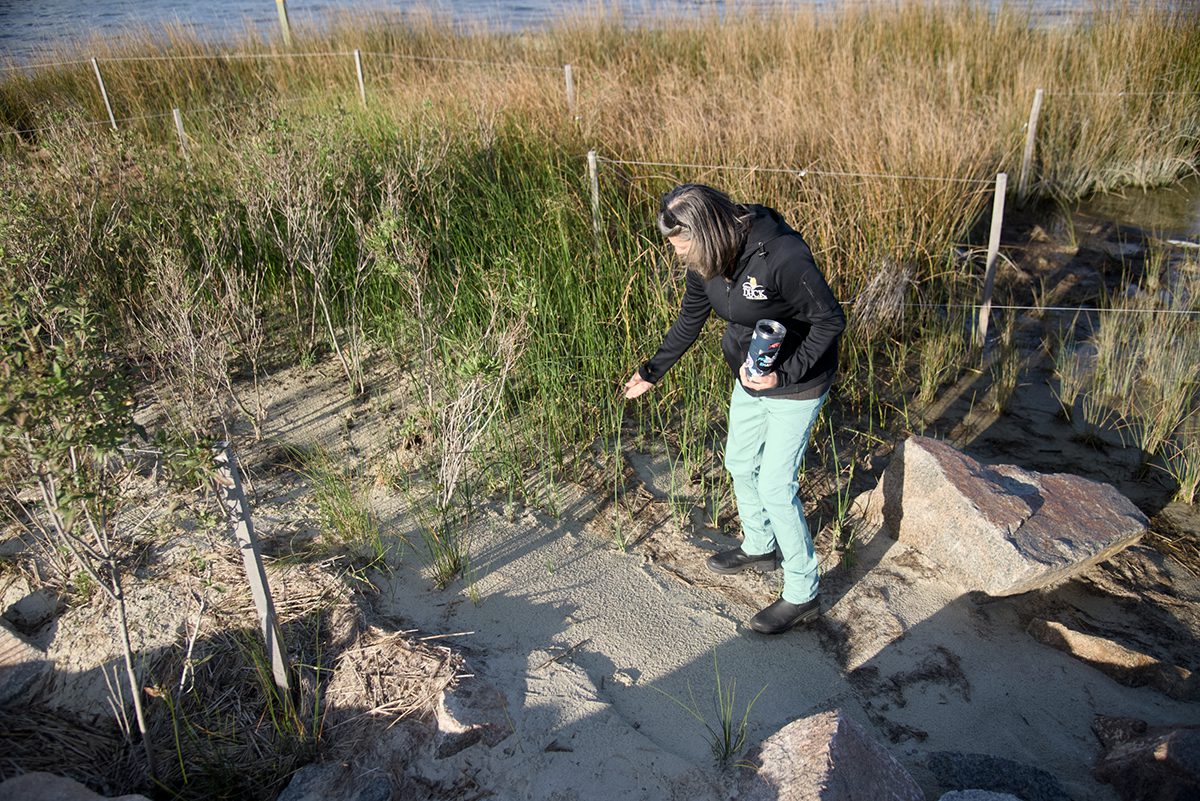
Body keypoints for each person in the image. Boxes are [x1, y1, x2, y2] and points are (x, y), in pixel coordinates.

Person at [623, 183, 845, 635]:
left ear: (707, 230)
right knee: (740, 463)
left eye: (682, 244)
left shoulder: (782, 255)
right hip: (750, 373)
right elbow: (690, 317)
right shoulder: (704, 259)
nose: (680, 254)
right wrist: (652, 370)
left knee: (776, 485)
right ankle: (760, 546)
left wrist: (784, 375)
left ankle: (803, 592)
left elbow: (830, 320)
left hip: (797, 382)